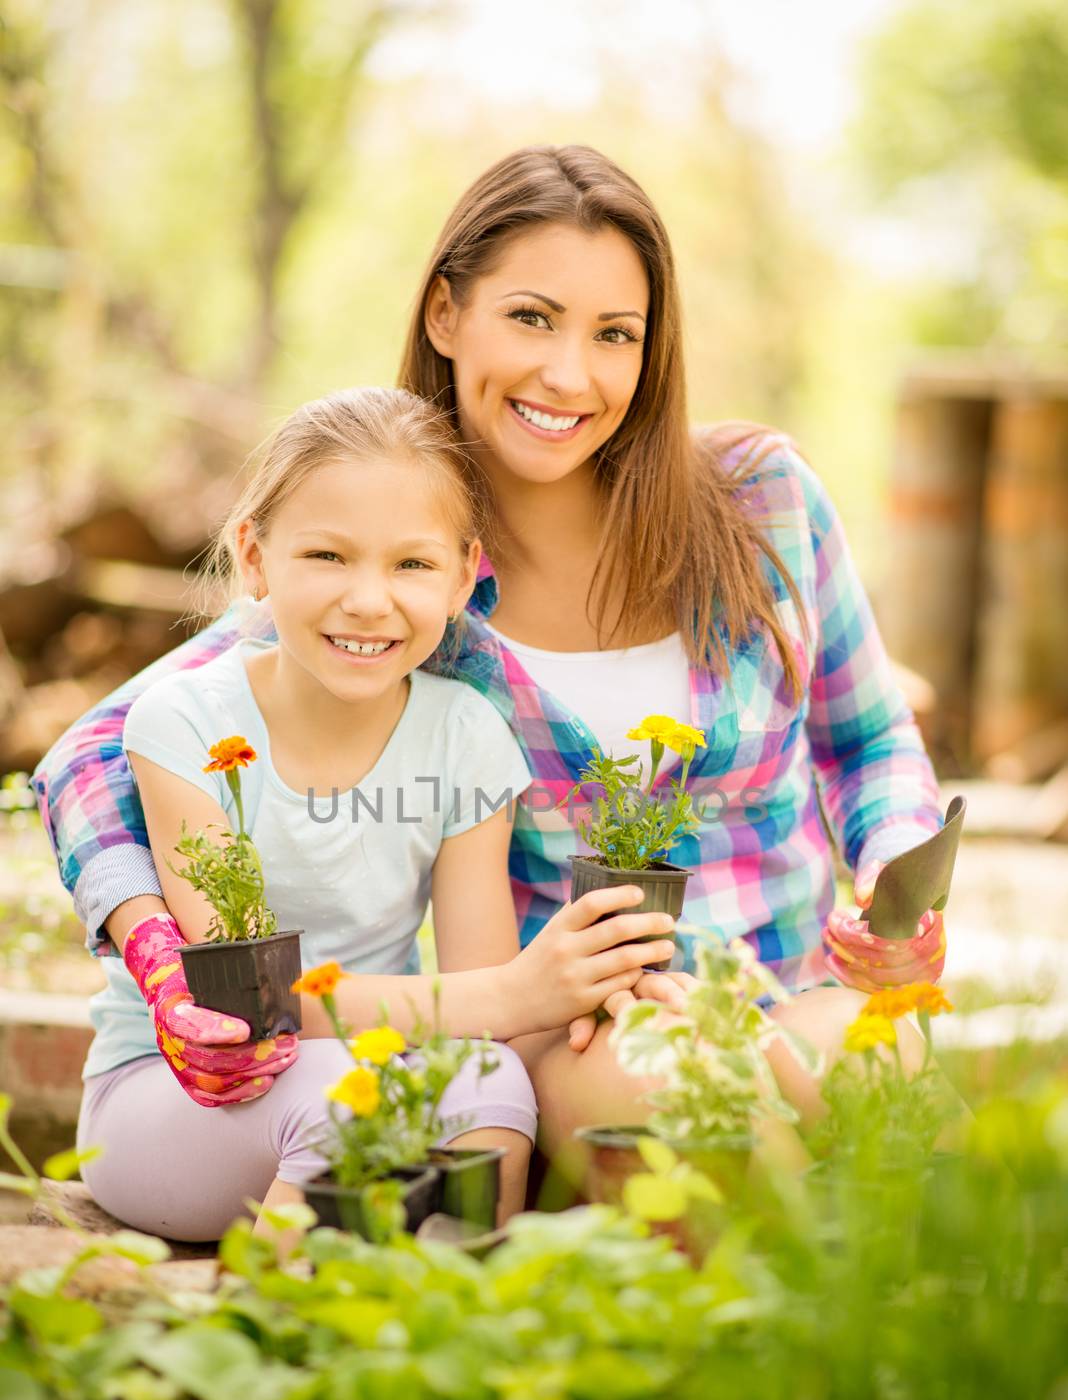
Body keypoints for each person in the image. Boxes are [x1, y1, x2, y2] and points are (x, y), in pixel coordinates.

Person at [35, 145, 946, 1197]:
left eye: (615, 335)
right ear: (445, 316)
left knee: (893, 1062)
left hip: (787, 987)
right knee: (676, 1107)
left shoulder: (761, 501)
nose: (570, 374)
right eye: (531, 317)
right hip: (582, 1038)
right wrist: (151, 939)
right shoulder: (407, 576)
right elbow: (97, 750)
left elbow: (871, 742)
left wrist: (892, 872)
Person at [70, 386, 680, 1239]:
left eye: (412, 564)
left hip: (365, 1072)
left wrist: (575, 986)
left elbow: (483, 996)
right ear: (253, 555)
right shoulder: (184, 724)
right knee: (344, 1098)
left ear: (466, 575)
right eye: (326, 555)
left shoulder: (463, 733)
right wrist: (509, 993)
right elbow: (250, 1005)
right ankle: (274, 1308)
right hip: (182, 1095)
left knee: (489, 1080)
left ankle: (466, 1292)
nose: (368, 599)